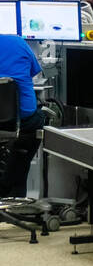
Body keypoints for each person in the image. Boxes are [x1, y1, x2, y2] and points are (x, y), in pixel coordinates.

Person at [0, 32, 44, 197]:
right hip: (23, 121)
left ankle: (6, 188)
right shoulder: (18, 42)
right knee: (38, 119)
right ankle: (14, 195)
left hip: (14, 122)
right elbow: (33, 72)